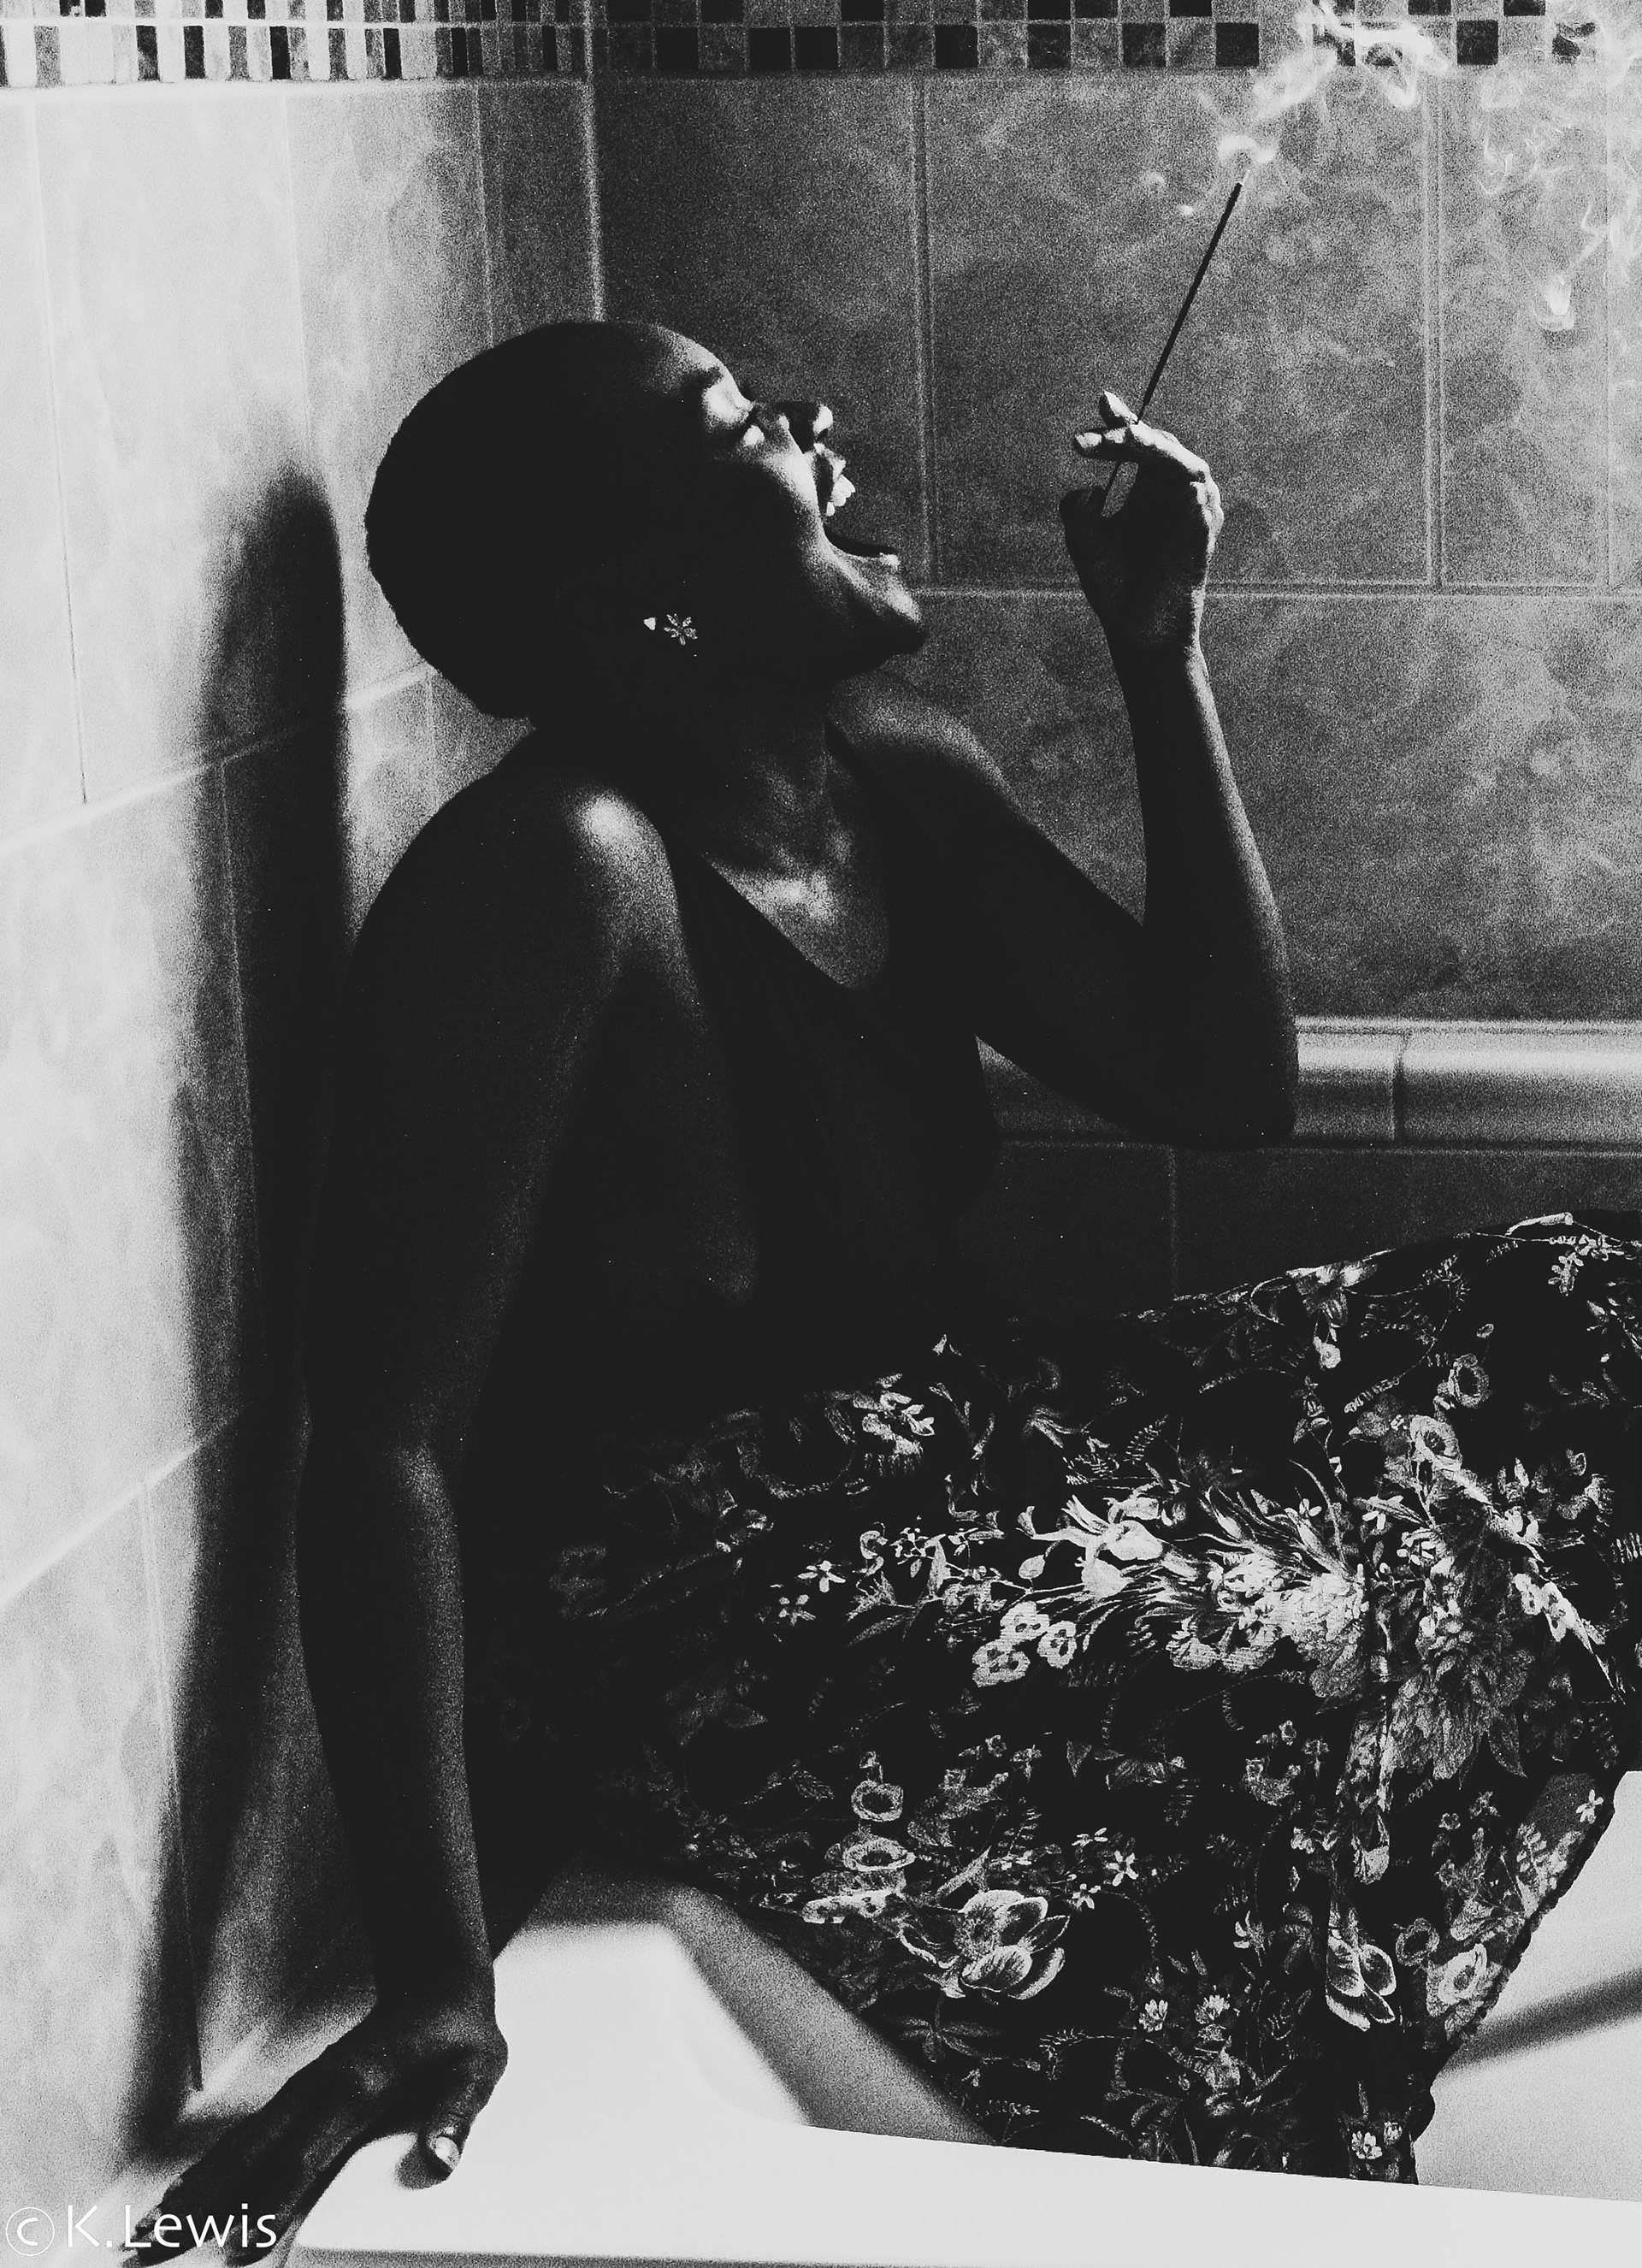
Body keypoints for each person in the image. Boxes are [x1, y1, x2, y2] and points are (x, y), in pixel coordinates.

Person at [129, 321, 1642, 2254]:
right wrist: (437, 1974)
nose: (815, 424)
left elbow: (1222, 1087)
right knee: (1277, 1635)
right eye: (744, 425)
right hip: (713, 1596)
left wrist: (1161, 650)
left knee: (1583, 1309)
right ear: (652, 596)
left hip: (958, 1460)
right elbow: (386, 1446)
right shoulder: (553, 877)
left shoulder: (894, 780)